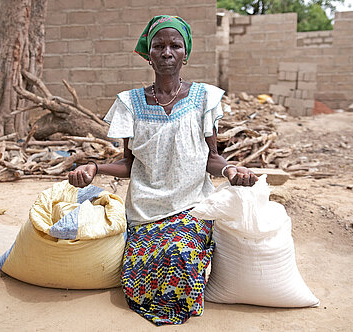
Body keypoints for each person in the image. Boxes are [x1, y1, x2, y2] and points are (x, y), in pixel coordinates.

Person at [69, 15, 257, 325]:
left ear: (186, 53)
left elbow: (212, 157)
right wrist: (94, 167)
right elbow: (128, 163)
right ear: (149, 53)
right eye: (158, 46)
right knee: (138, 274)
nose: (166, 52)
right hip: (145, 210)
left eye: (175, 46)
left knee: (179, 254)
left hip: (192, 206)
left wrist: (232, 171)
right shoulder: (129, 103)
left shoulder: (204, 98)